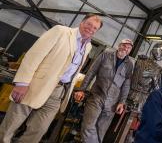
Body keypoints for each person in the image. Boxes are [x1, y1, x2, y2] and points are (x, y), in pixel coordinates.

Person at [0, 14, 102, 143]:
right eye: (89, 24)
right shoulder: (61, 31)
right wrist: (22, 83)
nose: (90, 29)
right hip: (35, 85)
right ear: (82, 22)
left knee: (39, 130)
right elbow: (34, 55)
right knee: (11, 124)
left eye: (95, 28)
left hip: (59, 92)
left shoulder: (88, 46)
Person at [74, 38, 134, 143]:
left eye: (129, 48)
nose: (126, 49)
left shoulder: (129, 64)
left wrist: (121, 102)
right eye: (124, 45)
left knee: (101, 131)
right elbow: (91, 72)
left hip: (112, 103)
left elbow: (126, 85)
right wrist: (82, 90)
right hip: (97, 96)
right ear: (119, 45)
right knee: (88, 126)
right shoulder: (105, 55)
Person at [127, 42, 162, 112]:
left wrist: (154, 78)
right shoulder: (140, 60)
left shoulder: (159, 70)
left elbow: (158, 90)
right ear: (154, 49)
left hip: (143, 101)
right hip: (130, 95)